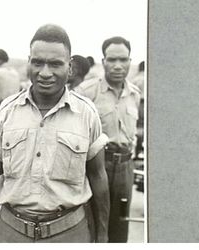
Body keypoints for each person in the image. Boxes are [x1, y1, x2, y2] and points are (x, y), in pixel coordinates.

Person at [0, 24, 110, 243]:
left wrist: (102, 236)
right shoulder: (5, 111)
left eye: (55, 64)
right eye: (37, 62)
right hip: (11, 234)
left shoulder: (87, 114)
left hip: (70, 234)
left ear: (69, 68)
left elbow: (98, 177)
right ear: (29, 62)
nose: (45, 73)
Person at [75, 36, 141, 242]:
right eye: (112, 60)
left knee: (120, 224)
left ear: (130, 61)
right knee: (93, 223)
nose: (118, 66)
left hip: (125, 168)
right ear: (103, 61)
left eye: (123, 60)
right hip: (96, 166)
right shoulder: (86, 92)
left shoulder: (135, 94)